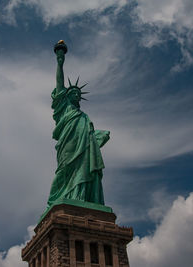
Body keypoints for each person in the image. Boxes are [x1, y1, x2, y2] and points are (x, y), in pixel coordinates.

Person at [46, 40, 110, 209]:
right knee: (63, 171)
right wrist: (60, 63)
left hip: (84, 147)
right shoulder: (63, 108)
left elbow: (91, 136)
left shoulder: (83, 116)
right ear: (66, 96)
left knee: (84, 168)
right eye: (72, 92)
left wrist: (97, 137)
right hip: (68, 145)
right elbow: (60, 84)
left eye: (78, 94)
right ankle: (55, 201)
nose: (76, 94)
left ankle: (80, 197)